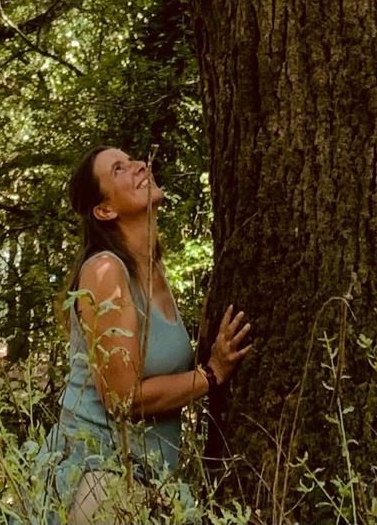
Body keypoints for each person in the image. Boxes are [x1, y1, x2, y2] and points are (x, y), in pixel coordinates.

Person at [35, 146, 251, 523]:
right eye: (118, 169)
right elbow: (122, 398)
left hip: (145, 482)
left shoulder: (155, 273)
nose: (138, 166)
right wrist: (211, 375)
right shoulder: (105, 271)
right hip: (98, 479)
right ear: (105, 210)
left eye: (133, 160)